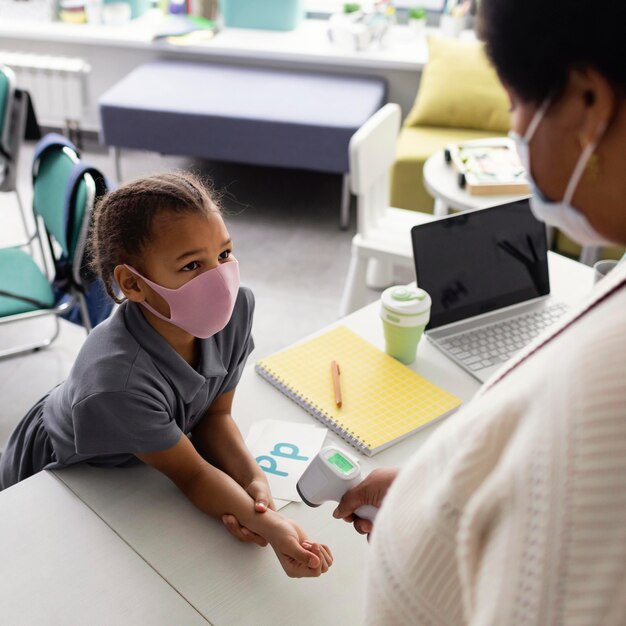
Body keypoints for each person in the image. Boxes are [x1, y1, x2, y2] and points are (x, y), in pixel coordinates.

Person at [334, 1, 626, 623]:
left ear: (587, 102)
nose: (515, 128)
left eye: (516, 102)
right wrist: (433, 485)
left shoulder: (600, 413)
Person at [0, 171, 332, 579]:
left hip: (149, 449)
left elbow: (214, 417)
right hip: (67, 466)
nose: (220, 279)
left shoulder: (235, 312)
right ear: (132, 284)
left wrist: (253, 480)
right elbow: (190, 473)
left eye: (224, 255)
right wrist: (268, 524)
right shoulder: (115, 382)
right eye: (192, 265)